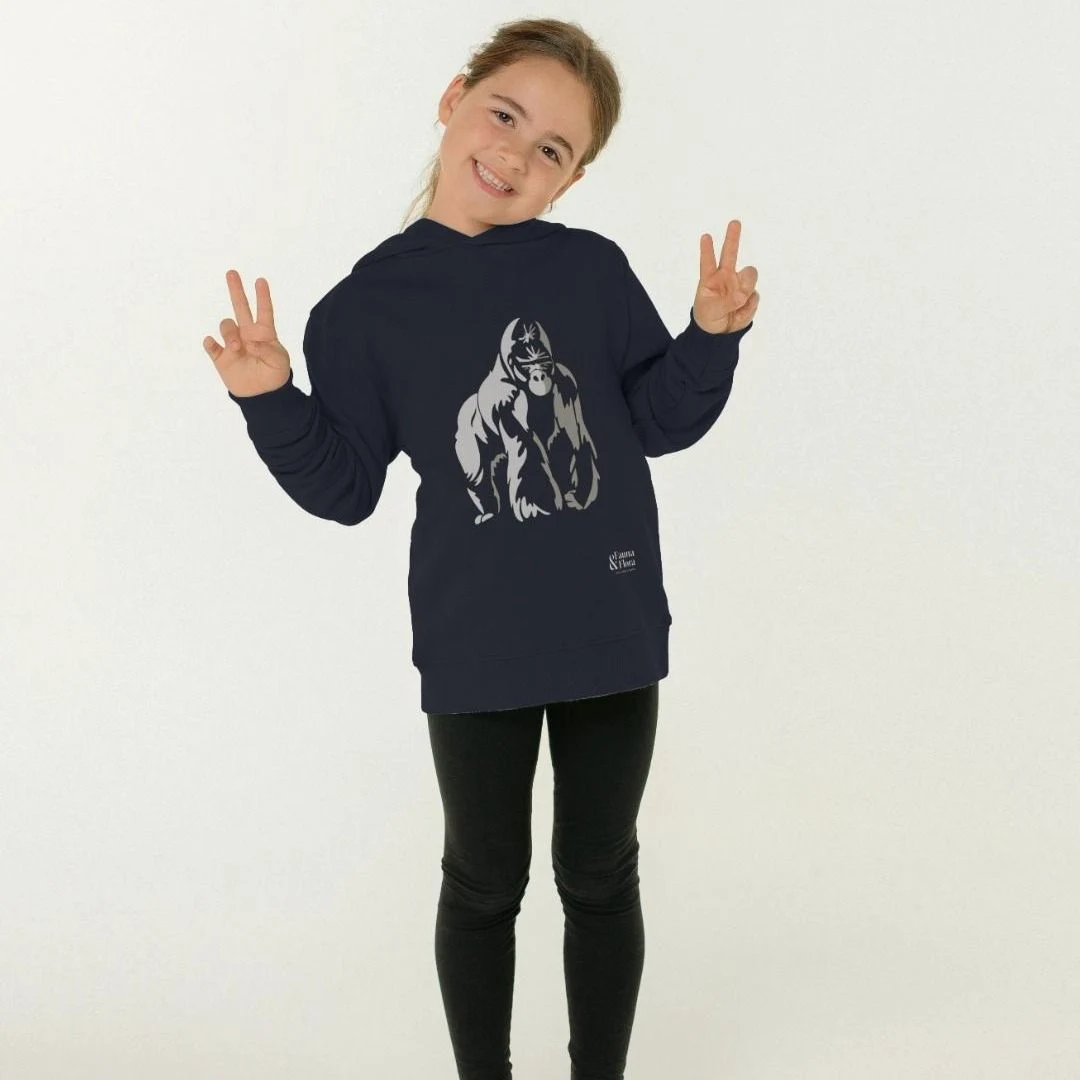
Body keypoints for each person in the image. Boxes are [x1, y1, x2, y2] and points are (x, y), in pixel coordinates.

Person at [202, 16, 760, 1080]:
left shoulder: (591, 271)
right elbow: (347, 488)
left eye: (552, 148)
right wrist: (271, 400)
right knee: (482, 881)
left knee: (600, 873)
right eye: (504, 114)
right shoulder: (363, 308)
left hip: (609, 624)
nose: (515, 153)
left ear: (573, 177)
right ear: (454, 98)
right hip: (476, 639)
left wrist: (709, 339)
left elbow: (653, 421)